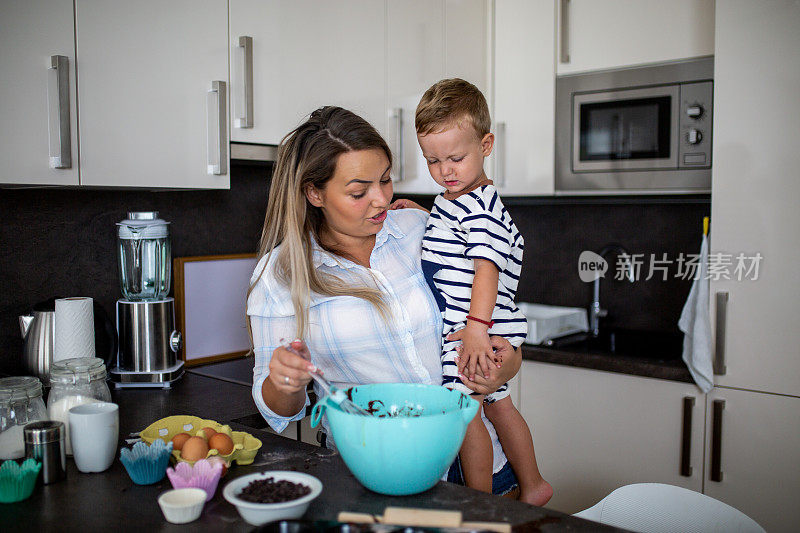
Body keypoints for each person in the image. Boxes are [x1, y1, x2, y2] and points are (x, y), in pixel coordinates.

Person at [247, 105, 526, 497]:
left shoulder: (422, 228)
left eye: (385, 180)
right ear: (314, 193)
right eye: (359, 192)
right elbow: (276, 409)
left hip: (479, 464)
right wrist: (284, 380)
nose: (380, 200)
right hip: (370, 473)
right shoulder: (279, 276)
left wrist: (507, 361)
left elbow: (496, 308)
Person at [411, 78, 552, 506]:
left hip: (472, 330)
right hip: (487, 328)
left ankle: (481, 504)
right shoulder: (462, 201)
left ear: (486, 144)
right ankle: (534, 485)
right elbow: (458, 239)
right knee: (499, 405)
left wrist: (475, 328)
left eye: (455, 157)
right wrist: (421, 213)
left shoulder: (480, 207)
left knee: (463, 413)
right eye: (432, 161)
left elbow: (486, 268)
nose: (444, 171)